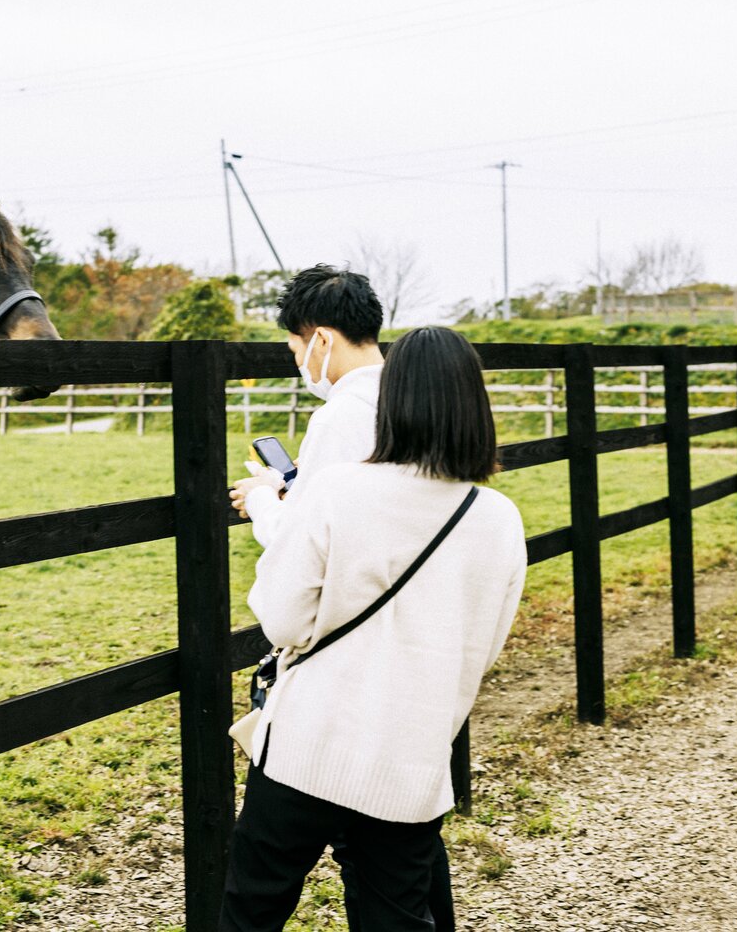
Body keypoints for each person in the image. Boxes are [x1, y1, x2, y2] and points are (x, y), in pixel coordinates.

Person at [220, 327, 528, 932]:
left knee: (251, 908)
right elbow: (485, 647)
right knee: (396, 917)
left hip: (309, 745)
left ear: (394, 401)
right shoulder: (497, 518)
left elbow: (280, 615)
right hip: (409, 763)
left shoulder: (338, 489)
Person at [229, 264, 385, 548]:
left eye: (297, 350)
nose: (299, 361)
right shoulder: (411, 396)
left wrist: (259, 495)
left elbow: (301, 541)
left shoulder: (338, 418)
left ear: (322, 340)